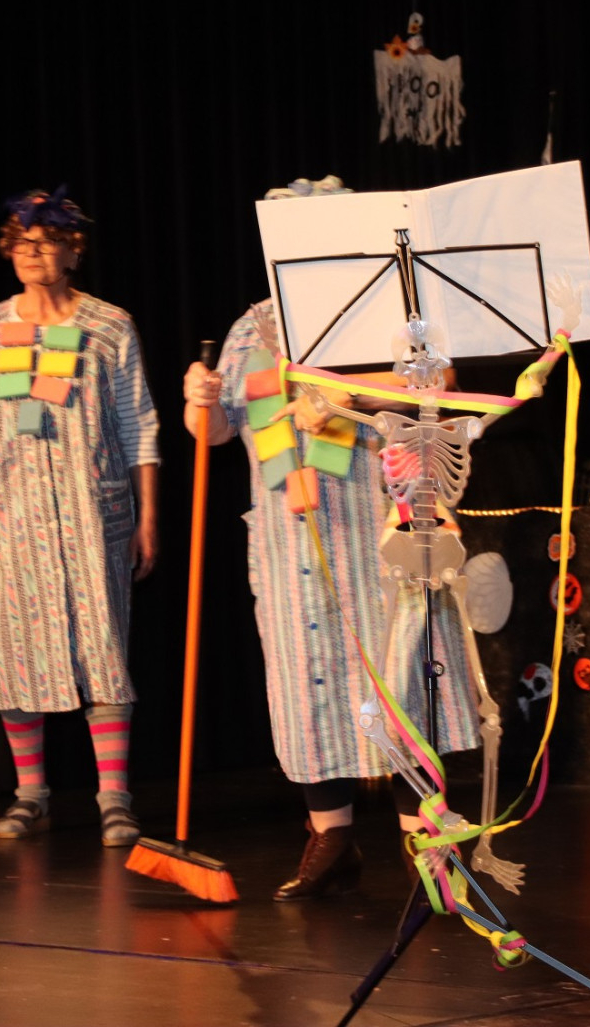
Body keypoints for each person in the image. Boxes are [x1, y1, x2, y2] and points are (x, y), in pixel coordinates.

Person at [182, 297, 479, 900]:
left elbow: (439, 383)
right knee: (307, 685)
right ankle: (331, 836)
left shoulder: (377, 304)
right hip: (287, 539)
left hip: (375, 526)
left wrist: (348, 394)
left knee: (400, 679)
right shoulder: (252, 327)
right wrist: (199, 401)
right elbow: (216, 431)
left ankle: (422, 838)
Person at [0, 189, 160, 843]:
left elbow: (139, 425)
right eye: (21, 242)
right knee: (13, 653)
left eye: (47, 242)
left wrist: (148, 517)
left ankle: (115, 798)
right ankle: (31, 794)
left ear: (73, 251)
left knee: (102, 650)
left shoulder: (109, 326)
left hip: (90, 515)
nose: (33, 253)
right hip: (7, 518)